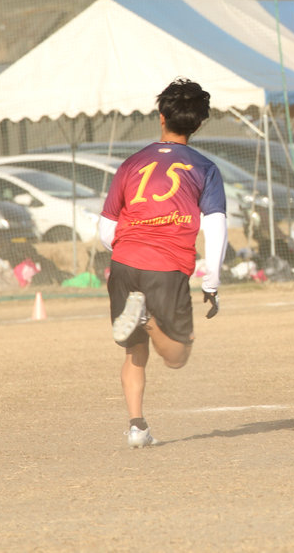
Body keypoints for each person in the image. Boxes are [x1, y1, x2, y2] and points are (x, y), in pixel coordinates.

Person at [99, 77, 228, 448]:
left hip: (124, 261)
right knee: (177, 355)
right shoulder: (204, 167)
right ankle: (148, 319)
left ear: (161, 117)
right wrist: (211, 282)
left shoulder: (131, 163)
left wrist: (127, 248)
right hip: (166, 265)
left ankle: (137, 427)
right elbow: (215, 227)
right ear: (198, 124)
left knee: (134, 351)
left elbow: (105, 229)